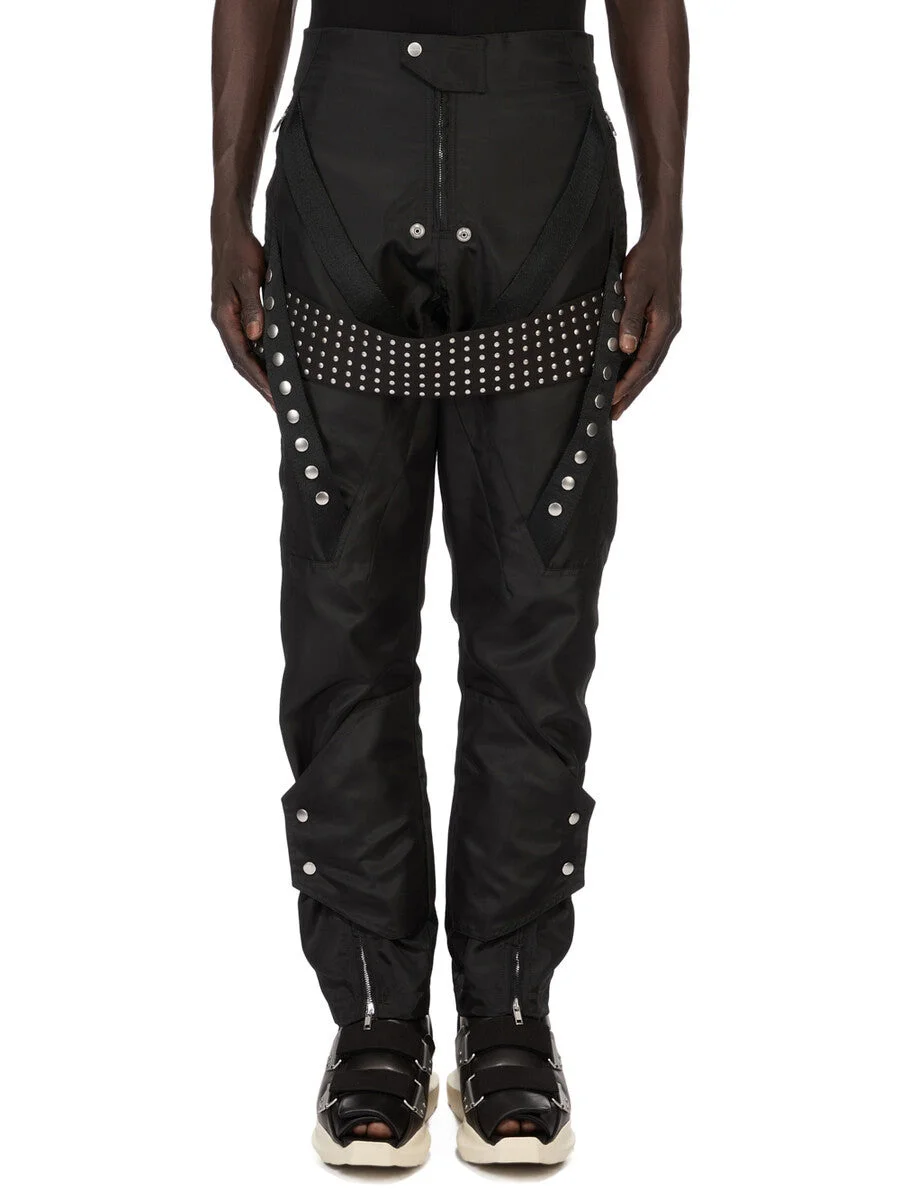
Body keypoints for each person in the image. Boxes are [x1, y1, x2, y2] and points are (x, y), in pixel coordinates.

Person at [211, 0, 687, 1168]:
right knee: (344, 617)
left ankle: (510, 1013)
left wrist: (669, 218)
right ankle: (377, 1017)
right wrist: (224, 203)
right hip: (345, 150)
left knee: (537, 622)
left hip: (545, 164)